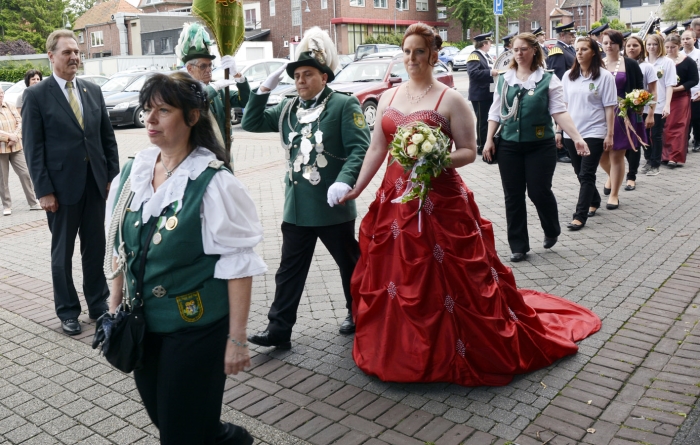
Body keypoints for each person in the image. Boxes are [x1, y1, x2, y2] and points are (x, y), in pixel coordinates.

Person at [338, 24, 601, 386]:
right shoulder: (388, 97)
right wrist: (356, 187)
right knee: (396, 272)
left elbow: (468, 152)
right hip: (396, 200)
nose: (411, 59)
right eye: (407, 51)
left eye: (418, 52)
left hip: (441, 199)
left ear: (433, 55)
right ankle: (400, 345)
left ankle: (453, 343)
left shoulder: (450, 100)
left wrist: (434, 158)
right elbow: (376, 150)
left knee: (451, 275)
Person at [105, 72, 265, 445]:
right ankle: (228, 438)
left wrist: (237, 339)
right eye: (147, 110)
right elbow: (118, 245)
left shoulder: (214, 182)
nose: (150, 119)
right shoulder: (133, 173)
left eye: (163, 110)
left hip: (196, 329)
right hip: (144, 324)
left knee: (178, 433)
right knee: (167, 418)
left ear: (192, 117)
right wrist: (115, 303)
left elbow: (239, 264)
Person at [242, 27, 370, 349]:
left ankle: (357, 313)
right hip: (298, 207)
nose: (300, 81)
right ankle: (279, 330)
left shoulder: (343, 105)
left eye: (307, 74)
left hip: (331, 204)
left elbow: (360, 148)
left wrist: (345, 179)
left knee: (349, 264)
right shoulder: (288, 108)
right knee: (289, 271)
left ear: (323, 77)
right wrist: (261, 89)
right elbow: (251, 123)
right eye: (296, 75)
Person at [22, 29, 119, 335]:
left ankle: (98, 303)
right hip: (61, 191)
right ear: (51, 56)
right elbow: (32, 147)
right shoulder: (37, 95)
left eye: (77, 52)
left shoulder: (92, 90)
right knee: (62, 254)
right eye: (67, 52)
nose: (74, 57)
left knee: (96, 248)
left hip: (95, 185)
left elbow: (107, 139)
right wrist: (44, 191)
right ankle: (67, 311)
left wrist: (111, 179)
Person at [483, 33, 588, 262]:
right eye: (515, 50)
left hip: (540, 145)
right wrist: (489, 139)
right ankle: (519, 245)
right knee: (513, 195)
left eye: (523, 49)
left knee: (539, 191)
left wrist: (576, 137)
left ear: (534, 51)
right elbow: (495, 111)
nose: (519, 54)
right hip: (509, 145)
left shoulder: (548, 79)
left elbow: (559, 112)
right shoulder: (504, 78)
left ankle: (551, 228)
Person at [558, 37, 616, 230]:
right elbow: (563, 106)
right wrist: (559, 130)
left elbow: (609, 108)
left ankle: (580, 216)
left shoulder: (605, 77)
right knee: (579, 172)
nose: (580, 53)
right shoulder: (568, 76)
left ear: (593, 52)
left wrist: (609, 134)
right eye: (577, 49)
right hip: (572, 133)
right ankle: (595, 199)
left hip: (595, 132)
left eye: (584, 49)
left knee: (587, 173)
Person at [176, 23, 250, 160]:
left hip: (222, 153)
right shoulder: (183, 90)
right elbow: (194, 103)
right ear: (190, 69)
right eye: (203, 66)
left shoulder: (218, 90)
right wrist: (213, 89)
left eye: (210, 65)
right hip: (198, 157)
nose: (208, 70)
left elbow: (244, 100)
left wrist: (237, 76)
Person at [598, 29, 644, 210]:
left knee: (617, 154)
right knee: (601, 154)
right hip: (599, 114)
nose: (609, 46)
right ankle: (612, 177)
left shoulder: (631, 64)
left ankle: (615, 194)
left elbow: (640, 88)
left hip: (622, 114)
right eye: (606, 42)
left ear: (620, 44)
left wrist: (639, 104)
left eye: (613, 43)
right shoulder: (597, 63)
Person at [622, 35, 657, 190]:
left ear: (641, 48)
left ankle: (631, 176)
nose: (631, 48)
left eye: (635, 45)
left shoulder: (647, 66)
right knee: (621, 143)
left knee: (634, 143)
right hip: (619, 110)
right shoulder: (618, 65)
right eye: (629, 45)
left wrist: (650, 113)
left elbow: (653, 91)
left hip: (637, 109)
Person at [0, 87, 41, 216]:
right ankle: (7, 205)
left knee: (25, 174)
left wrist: (15, 136)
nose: (0, 95)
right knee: (3, 179)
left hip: (16, 147)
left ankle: (33, 202)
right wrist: (8, 137)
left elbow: (20, 122)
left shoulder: (10, 106)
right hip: (1, 150)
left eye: (1, 92)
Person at [662, 34, 699, 167]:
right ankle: (664, 154)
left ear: (679, 46)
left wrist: (678, 89)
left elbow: (694, 79)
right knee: (664, 126)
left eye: (673, 47)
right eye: (667, 47)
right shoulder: (662, 61)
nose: (670, 50)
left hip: (680, 96)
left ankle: (674, 156)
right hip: (664, 96)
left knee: (678, 126)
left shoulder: (688, 61)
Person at [643, 33, 675, 176]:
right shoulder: (642, 62)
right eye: (649, 44)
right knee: (643, 134)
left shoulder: (667, 62)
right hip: (641, 104)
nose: (651, 47)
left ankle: (655, 164)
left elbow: (669, 85)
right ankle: (648, 160)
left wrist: (667, 105)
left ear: (660, 46)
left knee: (655, 134)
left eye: (655, 44)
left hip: (659, 104)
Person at [547, 22, 577, 163]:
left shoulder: (568, 49)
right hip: (563, 93)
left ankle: (567, 149)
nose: (573, 37)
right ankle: (561, 151)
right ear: (562, 35)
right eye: (571, 34)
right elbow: (558, 76)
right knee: (561, 121)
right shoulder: (557, 50)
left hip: (571, 92)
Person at [467, 32, 498, 156]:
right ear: (484, 43)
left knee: (487, 119)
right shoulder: (474, 56)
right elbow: (473, 73)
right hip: (479, 94)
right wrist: (491, 72)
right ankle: (480, 144)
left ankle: (486, 141)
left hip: (487, 93)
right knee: (482, 121)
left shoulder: (485, 56)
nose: (490, 45)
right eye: (489, 42)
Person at [681, 30, 700, 152]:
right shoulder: (679, 55)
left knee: (696, 118)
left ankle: (697, 140)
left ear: (694, 39)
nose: (685, 41)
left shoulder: (699, 54)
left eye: (688, 38)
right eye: (683, 39)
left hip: (697, 91)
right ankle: (683, 141)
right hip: (682, 92)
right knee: (684, 119)